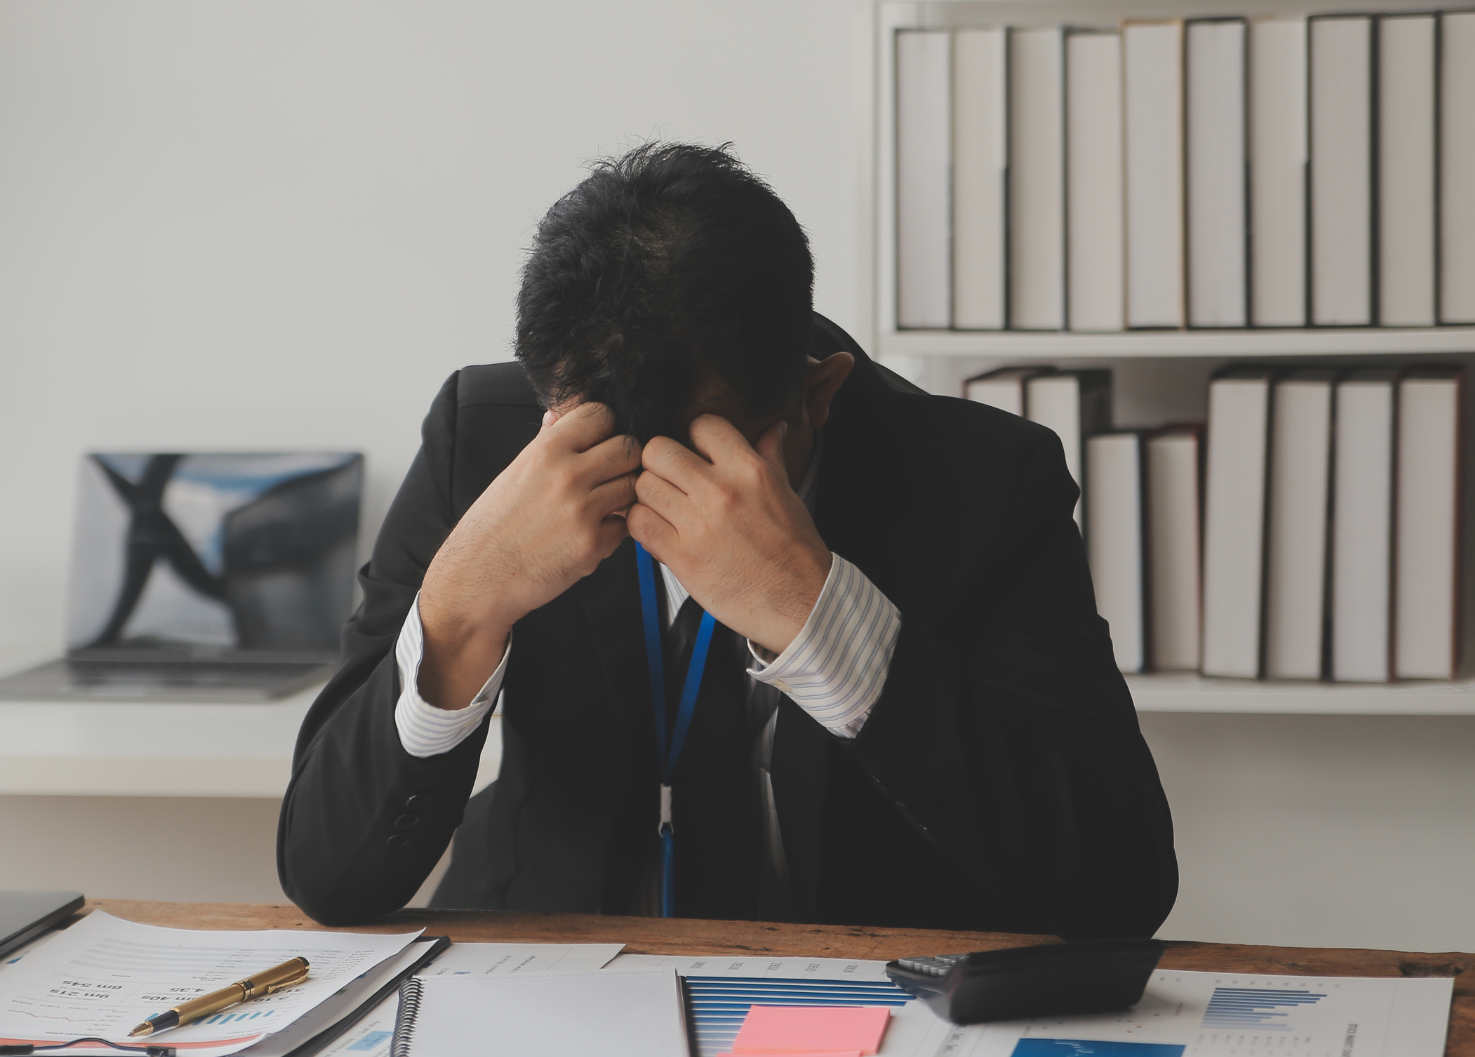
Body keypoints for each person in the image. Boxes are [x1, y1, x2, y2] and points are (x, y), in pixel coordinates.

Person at [277, 142, 1178, 937]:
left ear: (815, 394)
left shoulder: (982, 481)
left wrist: (820, 616)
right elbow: (326, 874)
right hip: (550, 986)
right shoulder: (484, 439)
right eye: (601, 453)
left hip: (864, 997)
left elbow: (1120, 884)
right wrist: (460, 609)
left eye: (699, 460)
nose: (649, 505)